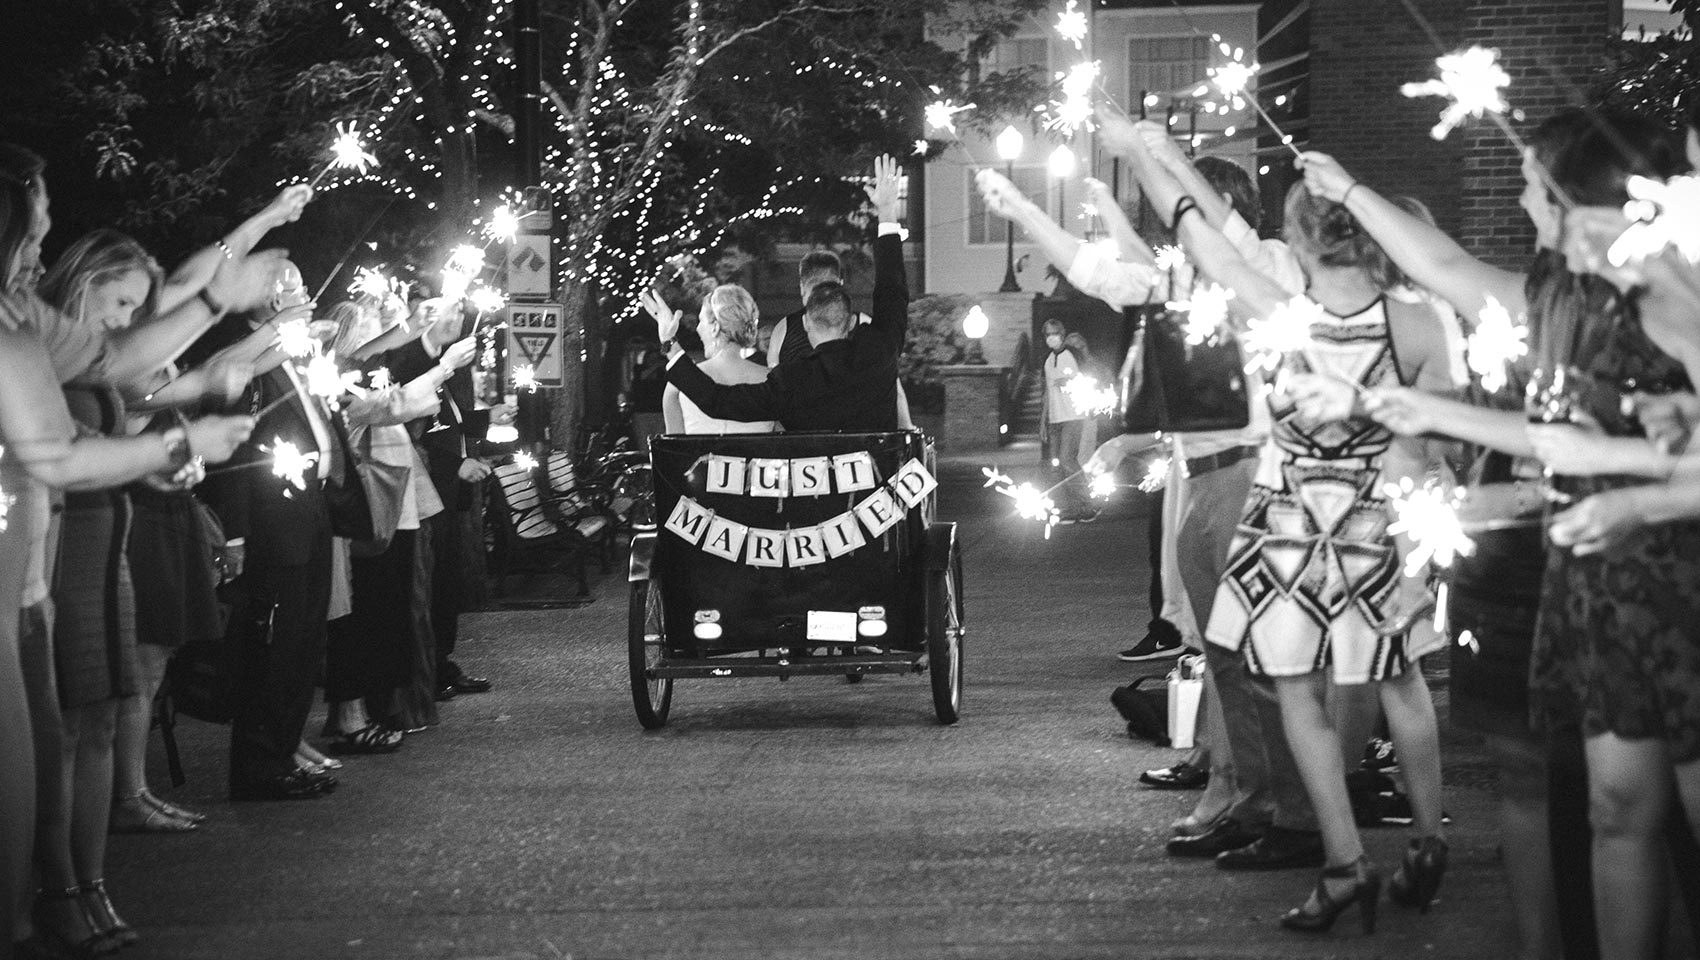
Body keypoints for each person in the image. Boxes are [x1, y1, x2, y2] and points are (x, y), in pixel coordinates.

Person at [1341, 110, 1700, 959]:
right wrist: (1424, 410)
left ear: (1600, 206)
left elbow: (1628, 450)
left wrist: (1632, 499)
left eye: (1540, 190)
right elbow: (1449, 272)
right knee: (1615, 809)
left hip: (1680, 585)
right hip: (1597, 588)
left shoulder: (1679, 300)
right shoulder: (1562, 297)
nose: (1526, 205)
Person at [1145, 143, 1456, 932]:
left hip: (1289, 530)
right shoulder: (1419, 322)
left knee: (1297, 690)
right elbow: (1447, 438)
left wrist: (1151, 158)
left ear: (1306, 239)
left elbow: (1199, 232)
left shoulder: (1279, 312)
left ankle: (1346, 860)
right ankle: (1424, 842)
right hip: (1378, 521)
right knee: (1400, 679)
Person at [0, 143, 259, 958]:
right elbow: (54, 455)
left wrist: (221, 301)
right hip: (31, 562)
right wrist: (184, 437)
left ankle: (62, 895)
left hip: (30, 576)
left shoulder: (22, 313)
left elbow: (116, 360)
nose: (42, 242)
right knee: (25, 765)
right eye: (32, 228)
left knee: (45, 750)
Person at [651, 155, 907, 432]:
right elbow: (893, 290)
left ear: (807, 324)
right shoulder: (879, 352)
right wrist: (887, 211)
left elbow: (717, 401)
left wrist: (671, 345)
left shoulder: (794, 380)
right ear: (850, 323)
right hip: (877, 474)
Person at [387, 298, 507, 702]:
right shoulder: (413, 360)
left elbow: (450, 420)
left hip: (451, 493)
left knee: (448, 582)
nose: (459, 319)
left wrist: (492, 418)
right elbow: (415, 428)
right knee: (432, 583)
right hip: (426, 488)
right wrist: (454, 465)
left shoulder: (451, 365)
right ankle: (430, 668)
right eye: (450, 312)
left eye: (460, 313)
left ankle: (442, 663)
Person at [767, 249, 913, 429]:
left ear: (802, 286)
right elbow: (892, 385)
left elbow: (774, 398)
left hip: (802, 448)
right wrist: (907, 430)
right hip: (860, 445)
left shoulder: (783, 330)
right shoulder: (864, 326)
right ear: (840, 284)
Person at [662, 284, 778, 434]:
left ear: (715, 326)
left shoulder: (678, 384)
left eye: (701, 321)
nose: (697, 328)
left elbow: (672, 449)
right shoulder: (773, 380)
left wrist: (667, 342)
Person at [1039, 319, 1094, 523]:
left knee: (1067, 460)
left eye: (1054, 333)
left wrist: (1069, 382)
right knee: (1056, 466)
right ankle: (1068, 508)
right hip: (1055, 418)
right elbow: (1047, 392)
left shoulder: (1070, 356)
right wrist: (1043, 420)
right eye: (1047, 334)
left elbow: (1083, 379)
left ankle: (1086, 506)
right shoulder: (1047, 360)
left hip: (1072, 416)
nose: (1050, 337)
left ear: (1062, 334)